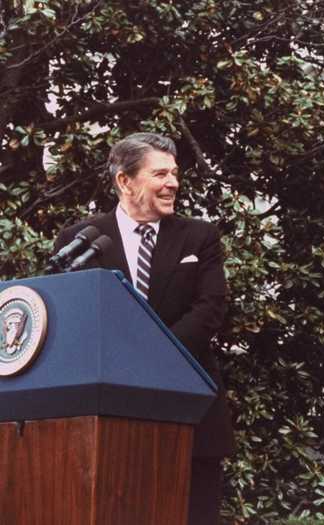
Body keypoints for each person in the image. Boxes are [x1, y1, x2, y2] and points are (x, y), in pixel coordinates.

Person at [54, 132, 234, 525]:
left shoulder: (199, 237)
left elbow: (209, 309)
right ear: (125, 181)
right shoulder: (81, 240)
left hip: (190, 412)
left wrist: (153, 356)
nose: (172, 183)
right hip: (107, 417)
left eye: (174, 173)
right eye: (160, 174)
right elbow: (73, 320)